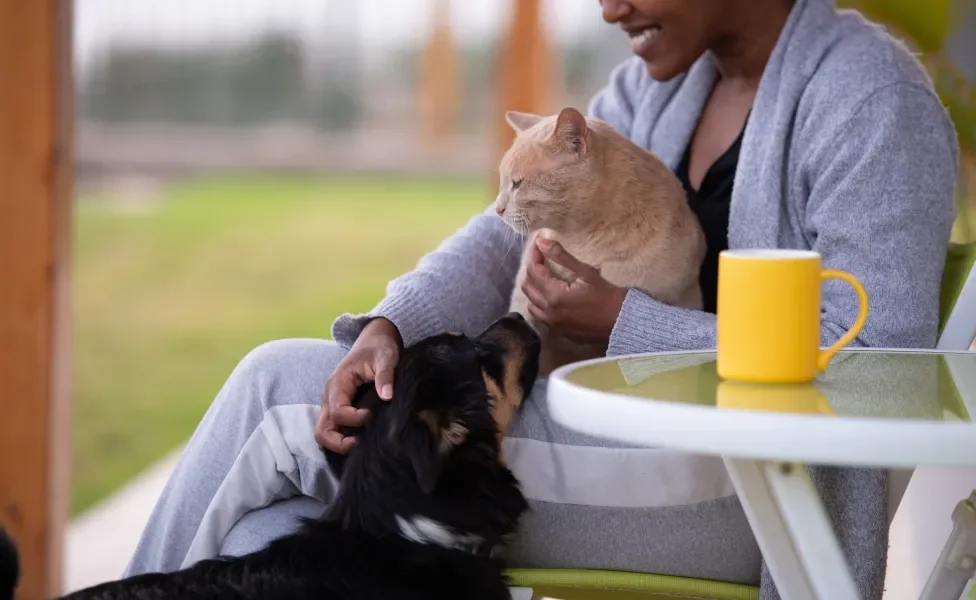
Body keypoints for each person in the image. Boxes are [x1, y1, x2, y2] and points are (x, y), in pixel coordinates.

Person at [124, 0, 959, 598]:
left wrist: (624, 323)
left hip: (754, 493)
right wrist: (391, 323)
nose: (606, 10)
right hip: (608, 437)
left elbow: (877, 363)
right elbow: (501, 235)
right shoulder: (656, 89)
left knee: (277, 389)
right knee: (257, 542)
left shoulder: (869, 100)